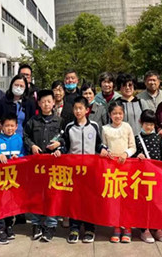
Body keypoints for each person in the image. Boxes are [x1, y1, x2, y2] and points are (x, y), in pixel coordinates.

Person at [60, 96, 107, 244]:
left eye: (80, 108)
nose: (78, 111)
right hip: (73, 171)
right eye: (75, 108)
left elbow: (99, 143)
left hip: (90, 170)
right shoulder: (69, 127)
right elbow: (65, 145)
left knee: (89, 200)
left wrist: (103, 149)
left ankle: (89, 229)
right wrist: (60, 151)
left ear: (87, 110)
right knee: (74, 200)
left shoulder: (94, 126)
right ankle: (74, 228)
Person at [23, 89, 63, 242]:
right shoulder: (33, 121)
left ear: (54, 103)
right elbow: (25, 136)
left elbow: (65, 137)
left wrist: (59, 145)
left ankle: (51, 225)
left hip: (54, 165)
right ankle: (36, 224)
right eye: (43, 101)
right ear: (39, 103)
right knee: (36, 194)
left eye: (49, 101)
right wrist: (32, 146)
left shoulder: (59, 121)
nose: (46, 104)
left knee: (52, 194)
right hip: (37, 165)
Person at [101, 101, 136, 243]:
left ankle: (127, 228)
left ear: (124, 114)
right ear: (110, 115)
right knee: (114, 199)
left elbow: (133, 146)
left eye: (120, 113)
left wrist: (126, 154)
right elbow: (103, 146)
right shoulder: (105, 129)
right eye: (114, 113)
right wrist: (105, 152)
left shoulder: (127, 127)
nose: (117, 116)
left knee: (126, 199)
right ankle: (116, 227)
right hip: (111, 169)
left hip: (126, 167)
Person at [134, 109, 162, 244]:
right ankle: (145, 229)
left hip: (157, 176)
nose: (149, 127)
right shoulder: (137, 139)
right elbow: (132, 155)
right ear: (140, 122)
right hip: (143, 178)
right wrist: (137, 156)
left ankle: (158, 228)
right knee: (144, 203)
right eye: (147, 124)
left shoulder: (157, 138)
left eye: (152, 124)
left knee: (158, 203)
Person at [0, 114, 25, 245]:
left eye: (12, 126)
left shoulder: (19, 139)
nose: (9, 128)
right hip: (0, 178)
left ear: (16, 126)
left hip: (14, 178)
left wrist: (19, 157)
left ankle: (9, 226)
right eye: (6, 126)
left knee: (11, 203)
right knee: (0, 203)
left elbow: (24, 155)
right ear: (2, 127)